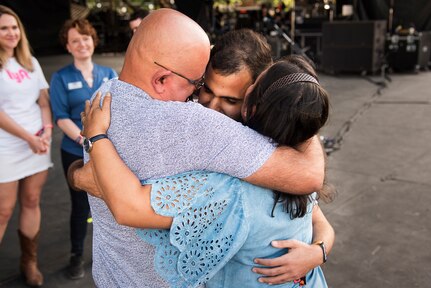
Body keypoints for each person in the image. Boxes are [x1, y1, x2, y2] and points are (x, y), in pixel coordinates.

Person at [71, 8, 326, 287]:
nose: (211, 108)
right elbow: (311, 181)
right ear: (162, 78)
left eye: (231, 99)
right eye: (200, 85)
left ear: (253, 99)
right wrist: (298, 110)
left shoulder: (103, 95)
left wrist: (87, 163)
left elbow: (127, 204)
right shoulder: (200, 129)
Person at [49, 18, 117, 280]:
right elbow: (60, 116)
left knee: (108, 204)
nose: (81, 44)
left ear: (93, 41)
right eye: (75, 40)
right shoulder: (61, 78)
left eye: (85, 38)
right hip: (75, 150)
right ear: (68, 46)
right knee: (80, 207)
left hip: (105, 151)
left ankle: (107, 254)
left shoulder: (109, 75)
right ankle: (77, 255)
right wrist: (85, 140)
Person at [0, 5, 53, 287]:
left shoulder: (30, 61)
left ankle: (29, 262)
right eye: (3, 28)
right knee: (3, 210)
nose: (11, 33)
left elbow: (43, 101)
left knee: (32, 201)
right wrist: (29, 138)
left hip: (37, 143)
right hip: (7, 146)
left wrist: (45, 132)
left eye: (14, 27)